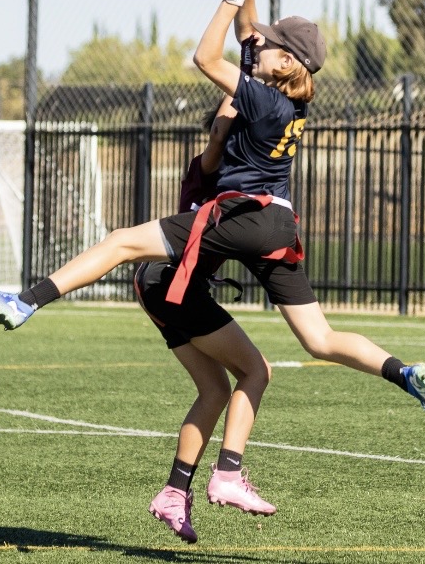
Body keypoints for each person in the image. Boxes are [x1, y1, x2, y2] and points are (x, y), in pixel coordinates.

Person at [0, 0, 425, 433]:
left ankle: (25, 301)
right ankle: (405, 374)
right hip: (278, 225)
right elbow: (249, 31)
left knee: (119, 243)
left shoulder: (265, 99)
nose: (257, 44)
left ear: (287, 62)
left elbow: (205, 57)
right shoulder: (286, 97)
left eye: (269, 45)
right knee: (320, 337)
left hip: (241, 216)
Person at [134, 101, 276, 544]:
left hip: (163, 285)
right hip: (171, 284)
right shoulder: (212, 161)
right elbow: (218, 137)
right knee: (256, 371)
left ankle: (174, 493)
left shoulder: (239, 173)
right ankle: (228, 474)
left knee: (215, 390)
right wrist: (243, 79)